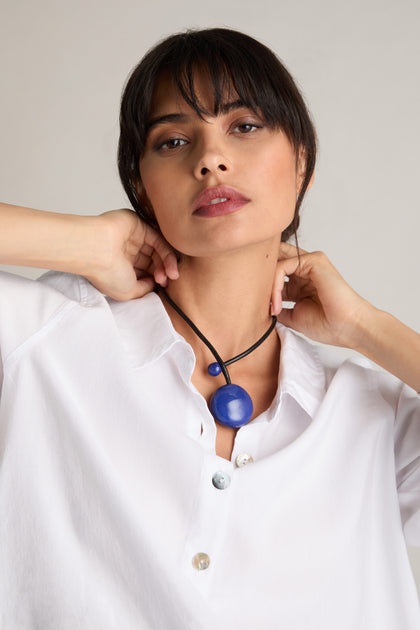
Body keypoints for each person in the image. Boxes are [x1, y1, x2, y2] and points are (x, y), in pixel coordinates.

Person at [0, 27, 419, 630]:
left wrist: (367, 327)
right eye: (172, 140)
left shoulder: (371, 417)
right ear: (141, 188)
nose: (210, 158)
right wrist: (82, 242)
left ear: (302, 161)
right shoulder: (46, 341)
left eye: (244, 127)